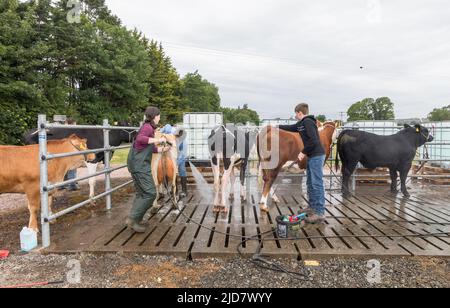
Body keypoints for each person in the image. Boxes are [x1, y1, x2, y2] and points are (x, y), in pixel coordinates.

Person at [279, 103, 326, 224]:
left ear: (300, 113)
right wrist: (277, 126)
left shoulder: (308, 122)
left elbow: (314, 141)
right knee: (310, 182)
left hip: (316, 155)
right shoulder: (301, 124)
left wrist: (302, 152)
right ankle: (312, 207)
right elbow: (291, 128)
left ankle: (319, 212)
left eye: (296, 113)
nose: (295, 115)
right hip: (312, 156)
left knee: (316, 183)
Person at [126, 107, 171, 233]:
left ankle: (136, 219)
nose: (160, 117)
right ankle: (132, 219)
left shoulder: (149, 128)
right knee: (150, 193)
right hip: (139, 166)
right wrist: (159, 139)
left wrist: (163, 149)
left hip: (137, 164)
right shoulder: (147, 128)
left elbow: (149, 148)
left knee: (142, 193)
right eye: (159, 115)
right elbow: (140, 139)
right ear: (155, 116)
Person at [160, 124, 188, 199]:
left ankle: (184, 191)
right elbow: (165, 127)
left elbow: (181, 152)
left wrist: (177, 162)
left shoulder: (182, 140)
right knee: (173, 169)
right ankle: (174, 190)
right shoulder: (169, 129)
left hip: (181, 154)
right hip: (173, 152)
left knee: (181, 170)